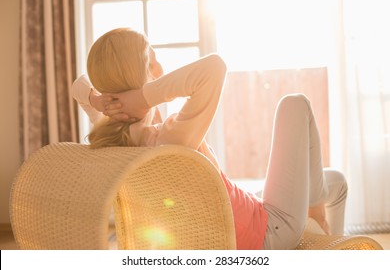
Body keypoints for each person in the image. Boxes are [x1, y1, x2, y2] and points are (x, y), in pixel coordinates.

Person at [72, 27, 348, 250]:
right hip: (267, 233)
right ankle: (321, 222)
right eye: (150, 61)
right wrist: (144, 97)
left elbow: (78, 87)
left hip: (241, 217)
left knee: (335, 181)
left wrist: (100, 101)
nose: (160, 69)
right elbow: (214, 67)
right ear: (142, 77)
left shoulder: (114, 137)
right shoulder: (170, 139)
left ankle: (318, 213)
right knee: (295, 103)